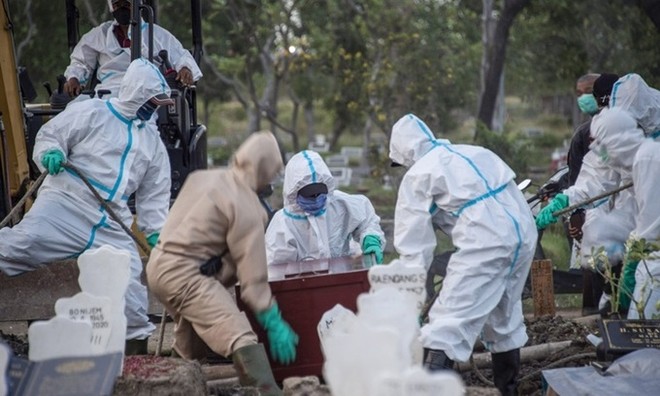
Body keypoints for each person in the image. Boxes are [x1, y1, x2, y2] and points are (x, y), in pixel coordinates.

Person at [0, 58, 173, 353]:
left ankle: (135, 358)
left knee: (130, 284)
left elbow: (154, 194)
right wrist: (50, 154)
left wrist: (156, 234)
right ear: (136, 93)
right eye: (151, 101)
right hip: (65, 204)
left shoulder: (152, 142)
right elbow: (50, 136)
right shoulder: (90, 111)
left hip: (111, 222)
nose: (153, 108)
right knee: (19, 246)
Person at [389, 114, 536, 396]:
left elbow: (413, 248)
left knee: (445, 326)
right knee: (505, 318)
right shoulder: (474, 152)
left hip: (485, 243)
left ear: (405, 153)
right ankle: (509, 391)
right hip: (523, 235)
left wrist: (410, 298)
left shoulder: (418, 175)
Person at [146, 131, 298, 396]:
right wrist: (274, 321)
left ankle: (171, 387)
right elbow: (254, 283)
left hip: (158, 266)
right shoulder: (248, 206)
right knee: (239, 335)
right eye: (272, 173)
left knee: (190, 341)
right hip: (187, 277)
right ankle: (266, 391)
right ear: (264, 169)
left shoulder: (202, 178)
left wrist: (216, 262)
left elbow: (192, 231)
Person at [265, 150, 385, 267]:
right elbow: (277, 269)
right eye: (310, 195)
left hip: (342, 277)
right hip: (303, 284)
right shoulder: (283, 224)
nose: (316, 199)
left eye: (319, 193)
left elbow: (366, 221)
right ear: (294, 193)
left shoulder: (339, 204)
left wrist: (371, 238)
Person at [63, 0, 202, 98]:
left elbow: (181, 57)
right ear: (112, 7)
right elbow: (80, 62)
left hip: (147, 97)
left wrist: (185, 69)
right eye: (117, 4)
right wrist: (74, 78)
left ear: (138, 6)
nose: (121, 8)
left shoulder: (157, 35)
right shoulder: (100, 34)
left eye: (126, 4)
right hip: (106, 96)